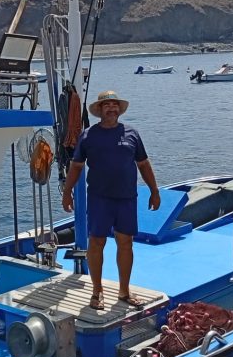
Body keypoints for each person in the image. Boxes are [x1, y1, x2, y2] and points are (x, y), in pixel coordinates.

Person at [61, 90, 161, 310]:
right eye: (107, 105)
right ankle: (97, 291)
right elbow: (76, 166)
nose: (112, 108)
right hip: (99, 199)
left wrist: (154, 190)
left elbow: (143, 164)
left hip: (126, 199)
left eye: (115, 104)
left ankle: (124, 291)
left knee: (126, 243)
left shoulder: (132, 133)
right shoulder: (88, 135)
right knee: (96, 243)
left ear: (119, 109)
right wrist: (67, 192)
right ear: (100, 110)